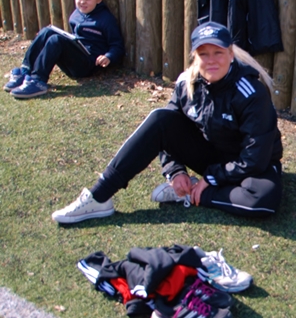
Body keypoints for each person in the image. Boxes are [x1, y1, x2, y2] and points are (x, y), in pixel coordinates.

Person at [51, 22, 283, 224]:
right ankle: (98, 197)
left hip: (251, 164)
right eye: (203, 54)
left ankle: (196, 193)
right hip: (212, 156)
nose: (211, 60)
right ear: (195, 57)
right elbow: (167, 131)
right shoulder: (186, 84)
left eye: (218, 53)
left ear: (231, 54)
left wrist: (212, 179)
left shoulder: (251, 92)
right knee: (160, 118)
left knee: (262, 201)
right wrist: (175, 171)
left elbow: (255, 157)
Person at [4, 0, 124, 99]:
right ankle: (25, 70)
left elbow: (117, 45)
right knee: (47, 31)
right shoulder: (76, 15)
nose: (83, 2)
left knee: (56, 40)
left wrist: (109, 56)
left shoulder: (106, 19)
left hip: (88, 64)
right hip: (75, 58)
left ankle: (38, 80)